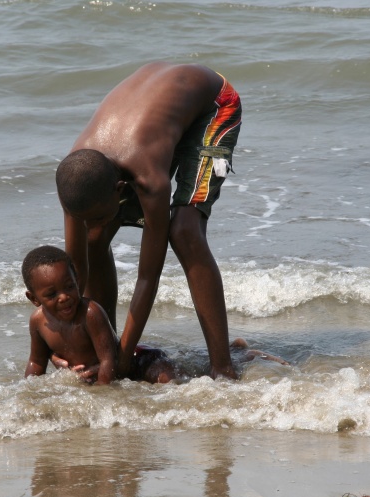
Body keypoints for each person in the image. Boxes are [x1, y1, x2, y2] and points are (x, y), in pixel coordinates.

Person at [55, 62, 242, 380]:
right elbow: (76, 272)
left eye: (100, 215)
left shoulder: (149, 179)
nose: (96, 222)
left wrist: (124, 359)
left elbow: (147, 278)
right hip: (158, 114)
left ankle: (224, 366)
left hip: (217, 108)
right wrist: (73, 346)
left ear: (120, 189)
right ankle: (107, 344)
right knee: (93, 240)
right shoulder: (75, 177)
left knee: (185, 231)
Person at [22, 245, 176, 384]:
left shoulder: (90, 313)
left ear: (77, 279)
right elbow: (36, 362)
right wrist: (28, 393)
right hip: (100, 373)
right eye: (51, 294)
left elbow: (108, 361)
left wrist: (101, 393)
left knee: (167, 380)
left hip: (138, 362)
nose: (63, 297)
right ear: (34, 298)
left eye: (69, 286)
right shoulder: (37, 321)